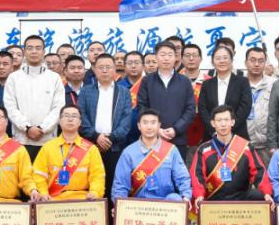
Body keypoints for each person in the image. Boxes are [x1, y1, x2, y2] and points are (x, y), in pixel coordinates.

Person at [190, 106, 272, 208]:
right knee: (196, 200)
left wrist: (267, 193)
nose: (223, 124)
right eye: (219, 120)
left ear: (232, 122)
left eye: (226, 120)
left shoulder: (245, 147)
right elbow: (197, 175)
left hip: (241, 197)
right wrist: (199, 195)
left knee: (262, 197)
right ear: (213, 123)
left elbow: (259, 171)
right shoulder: (204, 149)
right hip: (213, 198)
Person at [4, 35, 65, 161]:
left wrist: (42, 128)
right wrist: (27, 128)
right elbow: (10, 107)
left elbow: (59, 107)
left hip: (48, 140)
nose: (34, 51)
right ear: (24, 51)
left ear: (44, 51)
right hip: (21, 139)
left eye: (38, 48)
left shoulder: (54, 78)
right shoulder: (14, 77)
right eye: (30, 48)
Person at [110, 109, 192, 202]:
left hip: (166, 204)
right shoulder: (128, 153)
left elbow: (183, 178)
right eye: (145, 123)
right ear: (139, 126)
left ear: (159, 125)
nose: (149, 127)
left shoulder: (171, 150)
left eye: (153, 123)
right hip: (137, 204)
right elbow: (120, 186)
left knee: (176, 199)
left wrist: (186, 196)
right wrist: (119, 204)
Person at [136, 42, 197, 161]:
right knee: (152, 171)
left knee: (177, 171)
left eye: (170, 55)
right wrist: (157, 130)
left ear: (176, 57)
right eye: (162, 54)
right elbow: (142, 107)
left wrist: (176, 129)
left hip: (178, 139)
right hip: (151, 138)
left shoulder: (184, 81)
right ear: (156, 57)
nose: (166, 58)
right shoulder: (147, 81)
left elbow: (190, 109)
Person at [79, 53, 134, 181]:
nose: (104, 70)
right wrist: (96, 136)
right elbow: (81, 116)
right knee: (91, 182)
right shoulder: (86, 91)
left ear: (114, 69)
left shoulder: (124, 92)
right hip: (91, 145)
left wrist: (110, 139)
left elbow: (126, 120)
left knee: (113, 183)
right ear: (94, 69)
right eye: (101, 67)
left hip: (115, 146)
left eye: (108, 67)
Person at [33, 104, 106, 200]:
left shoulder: (91, 149)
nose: (70, 119)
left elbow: (97, 176)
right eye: (66, 116)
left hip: (83, 199)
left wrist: (94, 193)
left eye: (74, 116)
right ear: (59, 121)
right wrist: (43, 194)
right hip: (53, 200)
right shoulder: (47, 148)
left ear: (80, 122)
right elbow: (38, 175)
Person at [197, 45, 252, 140]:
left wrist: (227, 129)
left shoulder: (242, 82)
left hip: (237, 135)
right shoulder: (206, 84)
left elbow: (245, 108)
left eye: (225, 58)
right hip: (212, 135)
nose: (222, 61)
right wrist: (214, 129)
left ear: (231, 60)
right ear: (213, 62)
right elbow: (203, 109)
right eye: (218, 58)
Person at [245, 46, 275, 165]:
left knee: (267, 176)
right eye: (253, 60)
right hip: (243, 144)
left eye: (261, 61)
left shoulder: (274, 84)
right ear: (246, 62)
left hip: (267, 145)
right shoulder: (238, 84)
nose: (256, 64)